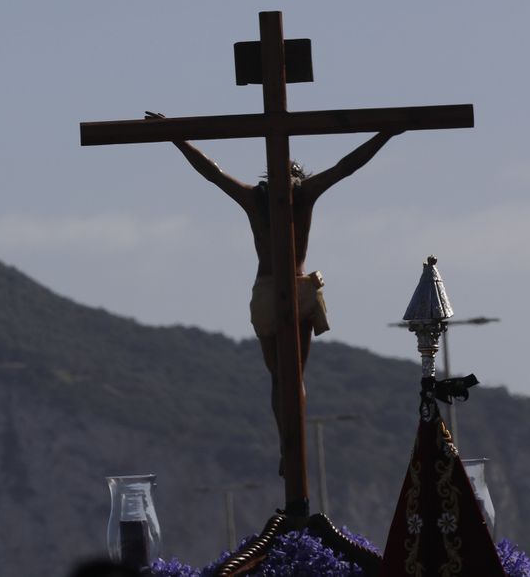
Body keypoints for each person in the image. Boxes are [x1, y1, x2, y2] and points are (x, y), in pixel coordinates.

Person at [150, 113, 398, 469]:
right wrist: (384, 131)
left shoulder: (273, 197)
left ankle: (290, 447)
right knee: (288, 375)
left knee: (285, 375)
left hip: (284, 289)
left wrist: (385, 131)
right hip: (285, 289)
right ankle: (289, 446)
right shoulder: (286, 196)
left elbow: (214, 173)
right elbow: (345, 167)